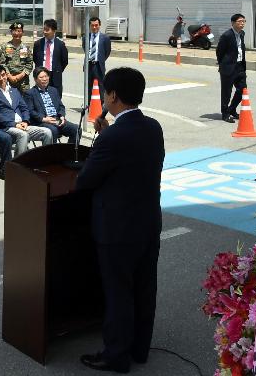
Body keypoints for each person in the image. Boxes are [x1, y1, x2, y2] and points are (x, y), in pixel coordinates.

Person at [77, 67, 164, 374]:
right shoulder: (153, 127)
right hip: (148, 223)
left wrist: (101, 138)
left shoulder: (112, 137)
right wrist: (106, 134)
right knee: (144, 288)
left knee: (119, 294)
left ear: (112, 96)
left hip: (116, 229)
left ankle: (116, 355)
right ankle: (139, 349)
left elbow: (86, 180)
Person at [0, 64, 51, 163]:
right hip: (7, 127)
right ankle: (18, 165)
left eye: (3, 75)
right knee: (23, 135)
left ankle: (45, 162)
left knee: (47, 132)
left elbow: (24, 108)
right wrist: (15, 124)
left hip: (22, 124)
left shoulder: (14, 91)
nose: (1, 78)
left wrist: (25, 121)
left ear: (6, 75)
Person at [26, 68, 79, 144]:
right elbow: (30, 111)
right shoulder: (30, 93)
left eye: (46, 76)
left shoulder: (53, 90)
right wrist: (44, 119)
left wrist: (62, 116)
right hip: (42, 122)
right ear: (35, 79)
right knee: (53, 130)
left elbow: (61, 106)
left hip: (56, 119)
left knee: (76, 129)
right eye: (41, 77)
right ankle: (52, 154)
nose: (44, 79)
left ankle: (70, 152)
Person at [216, 14, 248, 123]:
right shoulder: (227, 35)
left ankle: (232, 109)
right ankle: (225, 114)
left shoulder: (242, 34)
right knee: (226, 92)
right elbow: (219, 52)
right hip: (228, 67)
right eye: (240, 21)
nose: (242, 23)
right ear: (233, 23)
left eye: (244, 21)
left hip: (240, 66)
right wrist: (223, 64)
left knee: (242, 89)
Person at [33, 19, 69, 96]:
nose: (45, 32)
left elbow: (64, 61)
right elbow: (35, 58)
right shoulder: (38, 44)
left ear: (54, 30)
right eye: (44, 29)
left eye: (47, 30)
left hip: (55, 75)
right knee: (41, 97)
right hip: (41, 74)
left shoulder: (60, 45)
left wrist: (57, 70)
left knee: (55, 98)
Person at [0, 22, 33, 93]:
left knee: (25, 102)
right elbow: (2, 63)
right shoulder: (5, 47)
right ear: (11, 32)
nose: (16, 33)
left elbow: (29, 64)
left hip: (23, 81)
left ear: (22, 32)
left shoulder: (26, 48)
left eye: (19, 31)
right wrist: (9, 76)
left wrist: (20, 76)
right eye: (14, 31)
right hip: (8, 80)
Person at [84, 16, 111, 100]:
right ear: (89, 26)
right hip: (89, 65)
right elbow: (85, 49)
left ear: (100, 25)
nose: (94, 27)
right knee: (88, 85)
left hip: (98, 65)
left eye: (96, 25)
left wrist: (100, 60)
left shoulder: (105, 38)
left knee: (100, 85)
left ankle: (101, 104)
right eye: (92, 25)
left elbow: (107, 52)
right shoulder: (86, 37)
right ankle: (88, 104)